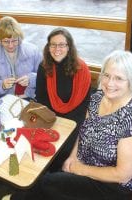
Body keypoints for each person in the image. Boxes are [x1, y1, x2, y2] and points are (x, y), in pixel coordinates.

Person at [4, 50, 132, 200]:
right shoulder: (98, 97)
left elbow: (122, 175)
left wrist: (80, 169)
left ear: (131, 81)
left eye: (119, 78)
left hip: (109, 186)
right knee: (47, 172)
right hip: (85, 164)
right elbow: (83, 130)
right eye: (107, 75)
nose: (109, 83)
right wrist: (72, 157)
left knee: (48, 183)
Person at [35, 27, 91, 171]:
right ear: (48, 47)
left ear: (69, 47)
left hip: (74, 121)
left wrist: (64, 125)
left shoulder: (81, 69)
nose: (57, 49)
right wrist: (52, 121)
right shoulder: (44, 67)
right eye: (53, 45)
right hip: (51, 118)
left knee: (62, 149)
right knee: (38, 144)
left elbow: (84, 104)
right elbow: (41, 98)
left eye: (62, 45)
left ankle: (55, 177)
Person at [0, 16, 42, 99]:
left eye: (14, 40)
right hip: (7, 100)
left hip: (32, 97)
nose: (11, 45)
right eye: (6, 41)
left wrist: (31, 80)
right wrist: (2, 85)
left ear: (20, 37)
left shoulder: (33, 51)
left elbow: (46, 78)